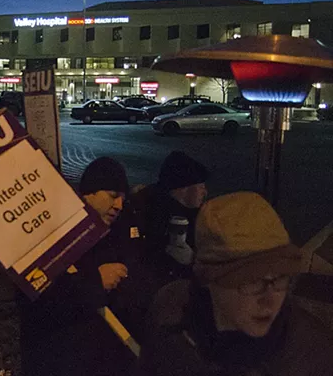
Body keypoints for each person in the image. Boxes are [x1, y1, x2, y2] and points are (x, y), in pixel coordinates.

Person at [139, 191, 333, 376]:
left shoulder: (311, 356)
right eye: (253, 282)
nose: (270, 299)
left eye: (280, 278)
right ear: (208, 279)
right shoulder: (170, 314)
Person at [19, 157, 137, 376]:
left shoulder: (119, 230)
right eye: (113, 196)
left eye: (123, 198)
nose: (119, 205)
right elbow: (43, 300)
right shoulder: (55, 234)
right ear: (88, 193)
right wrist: (96, 281)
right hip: (62, 358)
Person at [132, 151, 209, 276]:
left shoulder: (199, 214)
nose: (205, 192)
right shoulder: (153, 212)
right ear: (183, 188)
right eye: (201, 187)